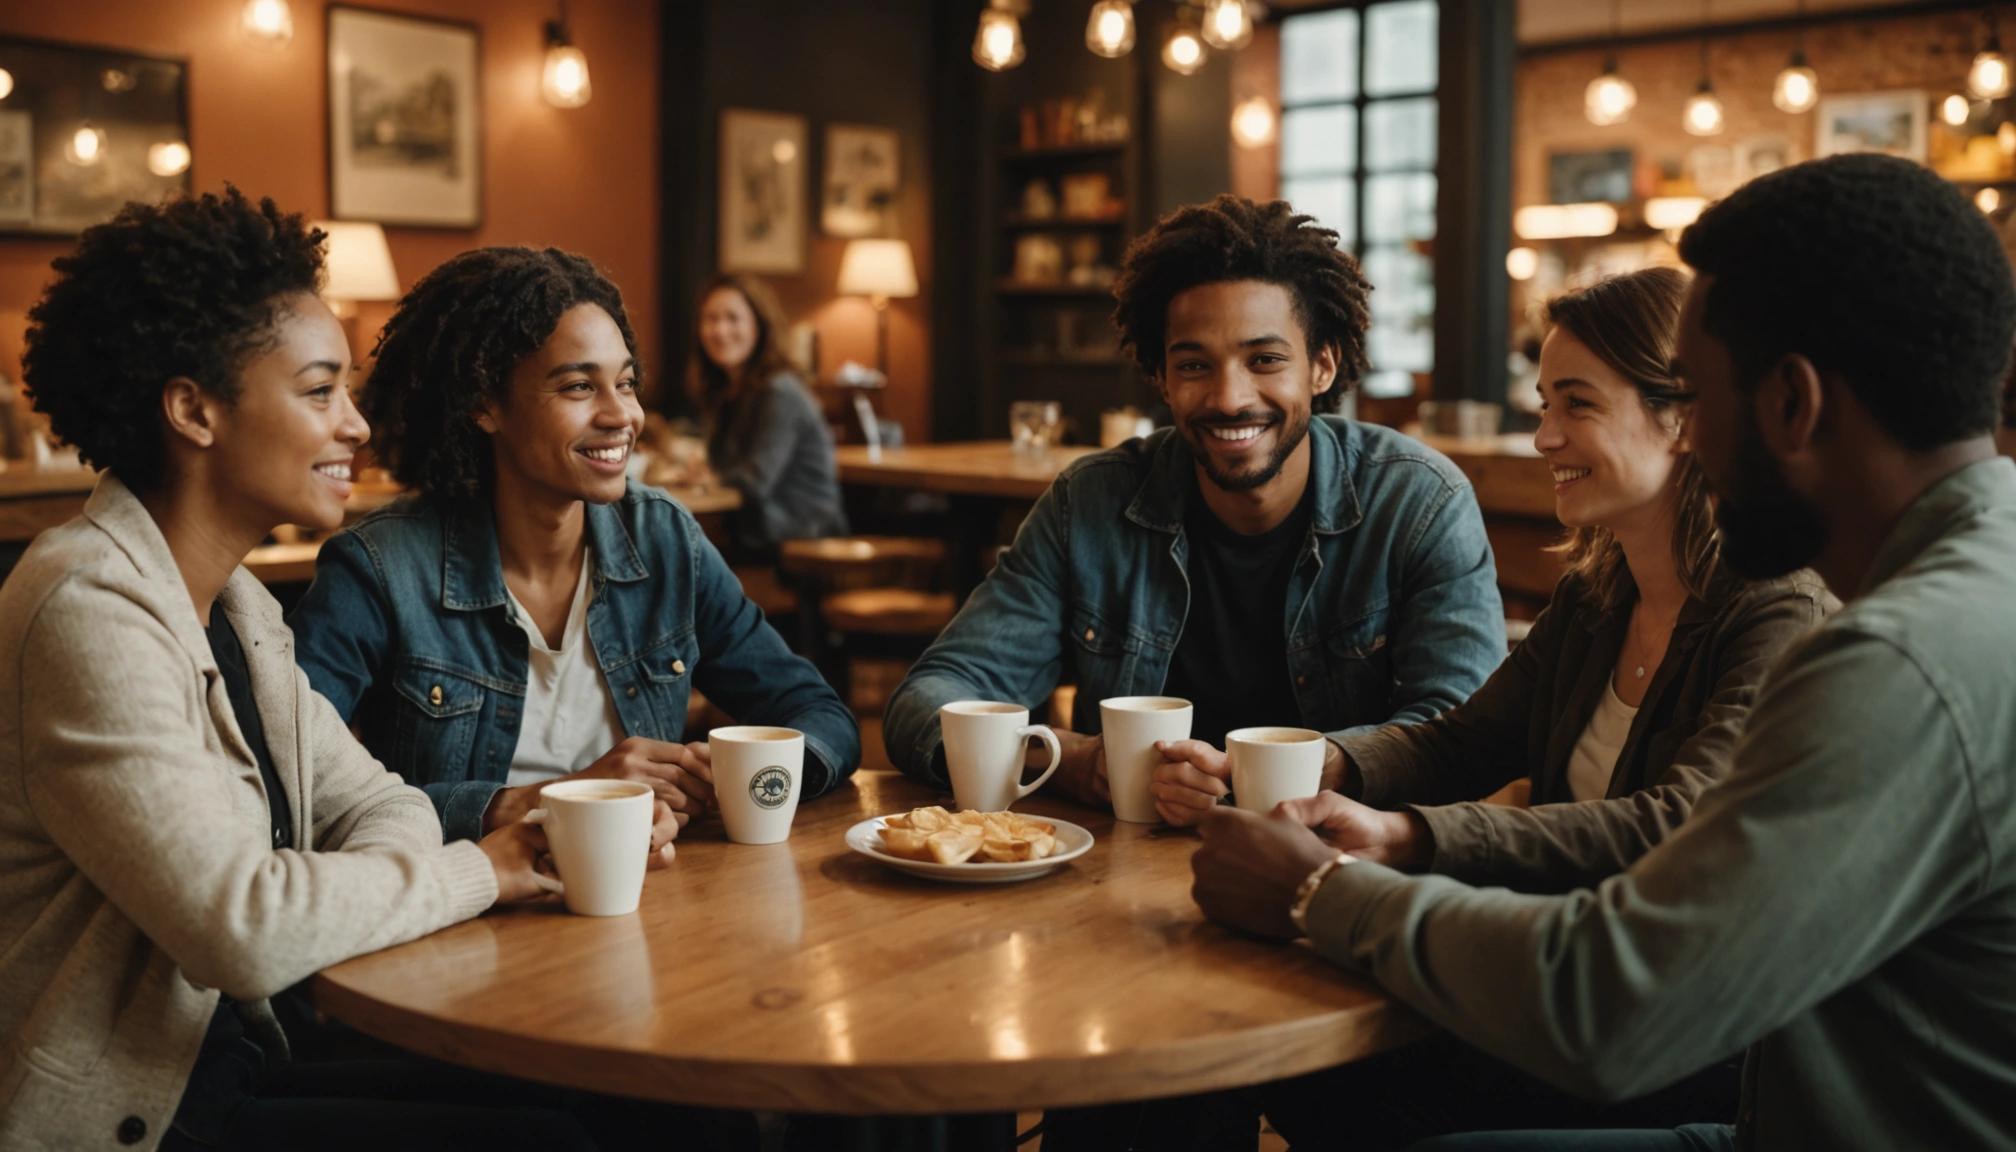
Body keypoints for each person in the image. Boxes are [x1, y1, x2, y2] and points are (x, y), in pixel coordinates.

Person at [1191, 153, 2016, 1151]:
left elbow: (1616, 1008)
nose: (1695, 449)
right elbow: (1474, 743)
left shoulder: (1891, 660)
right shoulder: (1977, 577)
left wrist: (1320, 890)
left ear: (1791, 405)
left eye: (1700, 402)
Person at [0, 190, 597, 1151]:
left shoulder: (237, 609)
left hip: (242, 1052)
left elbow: (384, 802)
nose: (356, 427)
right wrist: (476, 871)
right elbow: (244, 929)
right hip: (136, 1112)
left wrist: (314, 891)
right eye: (320, 392)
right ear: (194, 409)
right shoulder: (89, 609)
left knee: (571, 1105)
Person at [1218, 268, 1834, 1147]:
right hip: (1560, 984)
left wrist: (1411, 836)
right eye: (1543, 402)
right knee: (1299, 1071)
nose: (1543, 436)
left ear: (1686, 418)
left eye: (1575, 405)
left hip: (1684, 1043)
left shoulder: (1777, 608)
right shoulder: (1598, 593)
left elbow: (1679, 826)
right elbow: (1467, 741)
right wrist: (1324, 767)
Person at [885, 194, 1506, 814]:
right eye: (1194, 365)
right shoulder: (1088, 504)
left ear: (1322, 366)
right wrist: (1076, 763)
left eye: (1264, 359)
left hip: (1339, 872)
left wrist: (1297, 772)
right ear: (1161, 377)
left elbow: (1464, 732)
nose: (1229, 397)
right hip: (1119, 871)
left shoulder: (1418, 501)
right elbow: (929, 700)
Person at [288, 248, 858, 847]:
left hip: (647, 904)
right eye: (580, 386)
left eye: (627, 383)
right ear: (485, 404)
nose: (622, 415)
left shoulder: (664, 541)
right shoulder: (380, 568)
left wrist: (743, 779)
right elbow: (294, 783)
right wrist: (520, 805)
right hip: (465, 914)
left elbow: (821, 717)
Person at [689, 272, 847, 557]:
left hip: (802, 534)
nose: (720, 330)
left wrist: (711, 478)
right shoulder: (727, 391)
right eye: (711, 319)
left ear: (759, 326)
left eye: (732, 318)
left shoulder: (780, 391)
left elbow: (755, 480)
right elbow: (722, 467)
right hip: (756, 527)